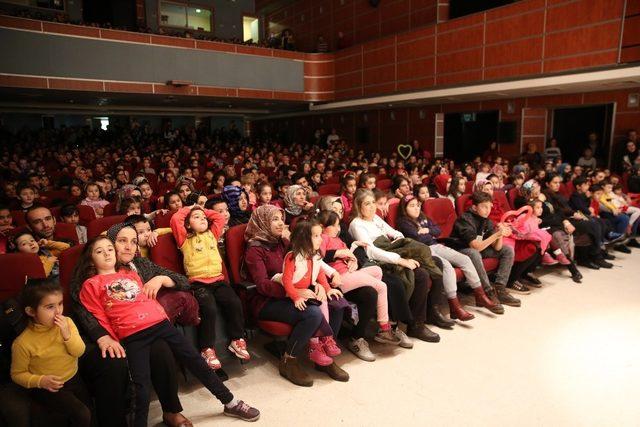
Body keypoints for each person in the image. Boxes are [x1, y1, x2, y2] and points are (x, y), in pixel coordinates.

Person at [75, 236, 260, 427]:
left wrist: (160, 314)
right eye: (99, 251)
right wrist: (112, 339)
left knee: (197, 362)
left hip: (159, 324)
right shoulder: (91, 284)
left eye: (109, 249)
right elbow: (99, 315)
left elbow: (145, 299)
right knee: (141, 387)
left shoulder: (130, 274)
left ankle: (230, 402)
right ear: (91, 260)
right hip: (132, 336)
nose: (106, 253)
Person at [244, 205, 349, 385]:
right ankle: (289, 360)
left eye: (281, 218)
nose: (280, 223)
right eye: (274, 219)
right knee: (313, 314)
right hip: (267, 301)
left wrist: (319, 285)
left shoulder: (283, 242)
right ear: (262, 222)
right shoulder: (255, 249)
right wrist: (292, 291)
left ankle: (323, 354)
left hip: (294, 292)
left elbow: (308, 265)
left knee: (335, 302)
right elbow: (262, 285)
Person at [348, 189, 441, 342]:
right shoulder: (356, 224)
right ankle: (413, 324)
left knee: (436, 262)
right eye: (367, 204)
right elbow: (371, 251)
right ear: (359, 206)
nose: (371, 207)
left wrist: (395, 242)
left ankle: (429, 314)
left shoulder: (376, 218)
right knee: (419, 274)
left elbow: (397, 233)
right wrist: (399, 259)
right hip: (379, 261)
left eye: (373, 203)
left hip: (391, 252)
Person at [170, 205, 249, 370]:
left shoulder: (212, 234)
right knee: (209, 308)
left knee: (234, 302)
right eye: (196, 217)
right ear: (188, 224)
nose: (203, 219)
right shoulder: (185, 239)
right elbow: (175, 219)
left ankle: (236, 339)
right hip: (198, 282)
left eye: (204, 217)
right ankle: (206, 349)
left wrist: (201, 210)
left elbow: (218, 217)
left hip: (218, 280)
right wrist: (191, 208)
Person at [396, 195, 500, 319]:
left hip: (436, 245)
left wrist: (427, 231)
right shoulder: (403, 222)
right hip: (422, 249)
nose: (416, 208)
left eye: (417, 205)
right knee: (447, 266)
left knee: (465, 259)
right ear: (405, 208)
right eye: (412, 206)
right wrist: (428, 233)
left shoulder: (423, 217)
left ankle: (480, 295)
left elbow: (437, 230)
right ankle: (454, 306)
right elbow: (416, 237)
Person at [317, 210, 401, 351]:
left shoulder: (339, 240)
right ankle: (384, 327)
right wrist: (338, 253)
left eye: (339, 225)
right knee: (381, 286)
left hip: (351, 273)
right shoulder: (323, 237)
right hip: (340, 277)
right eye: (335, 226)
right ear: (323, 226)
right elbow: (318, 257)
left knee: (377, 270)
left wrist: (353, 260)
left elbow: (350, 255)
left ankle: (369, 308)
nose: (339, 229)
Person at [11, 279, 91, 427]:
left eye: (60, 304)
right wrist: (40, 381)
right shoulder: (23, 343)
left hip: (73, 377)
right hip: (48, 387)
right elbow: (17, 374)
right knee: (81, 414)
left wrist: (67, 335)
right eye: (50, 307)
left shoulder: (67, 323)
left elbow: (79, 351)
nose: (58, 311)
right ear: (31, 311)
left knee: (88, 410)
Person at [281, 220, 346, 367]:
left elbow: (320, 274)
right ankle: (314, 345)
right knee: (316, 310)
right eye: (316, 236)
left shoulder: (315, 256)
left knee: (326, 300)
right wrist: (296, 296)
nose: (320, 239)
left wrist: (328, 289)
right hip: (293, 295)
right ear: (304, 239)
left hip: (308, 290)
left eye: (320, 235)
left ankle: (327, 338)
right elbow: (287, 281)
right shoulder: (292, 257)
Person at [448, 191, 517, 310]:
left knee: (507, 250)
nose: (487, 210)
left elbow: (497, 248)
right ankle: (487, 292)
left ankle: (500, 288)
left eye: (489, 206)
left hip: (476, 250)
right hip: (460, 250)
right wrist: (496, 235)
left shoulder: (487, 221)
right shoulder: (465, 219)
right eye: (484, 206)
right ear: (474, 207)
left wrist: (499, 234)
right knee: (474, 253)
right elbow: (475, 247)